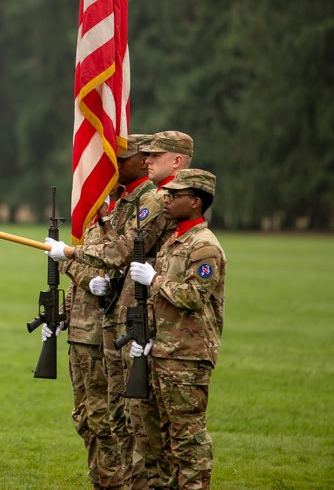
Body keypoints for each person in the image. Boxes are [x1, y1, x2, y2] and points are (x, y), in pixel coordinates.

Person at [46, 134, 156, 490]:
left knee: (107, 419)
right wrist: (62, 315)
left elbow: (112, 265)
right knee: (86, 419)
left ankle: (114, 483)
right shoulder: (100, 216)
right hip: (81, 328)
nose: (112, 167)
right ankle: (102, 482)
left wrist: (68, 260)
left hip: (104, 330)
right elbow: (88, 272)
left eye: (120, 160)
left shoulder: (137, 210)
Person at [127, 169, 225, 490]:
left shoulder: (204, 246)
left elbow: (194, 297)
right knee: (164, 438)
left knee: (187, 440)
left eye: (175, 196)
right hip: (163, 351)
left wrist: (154, 279)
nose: (166, 200)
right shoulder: (175, 241)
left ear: (195, 202)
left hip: (187, 357)